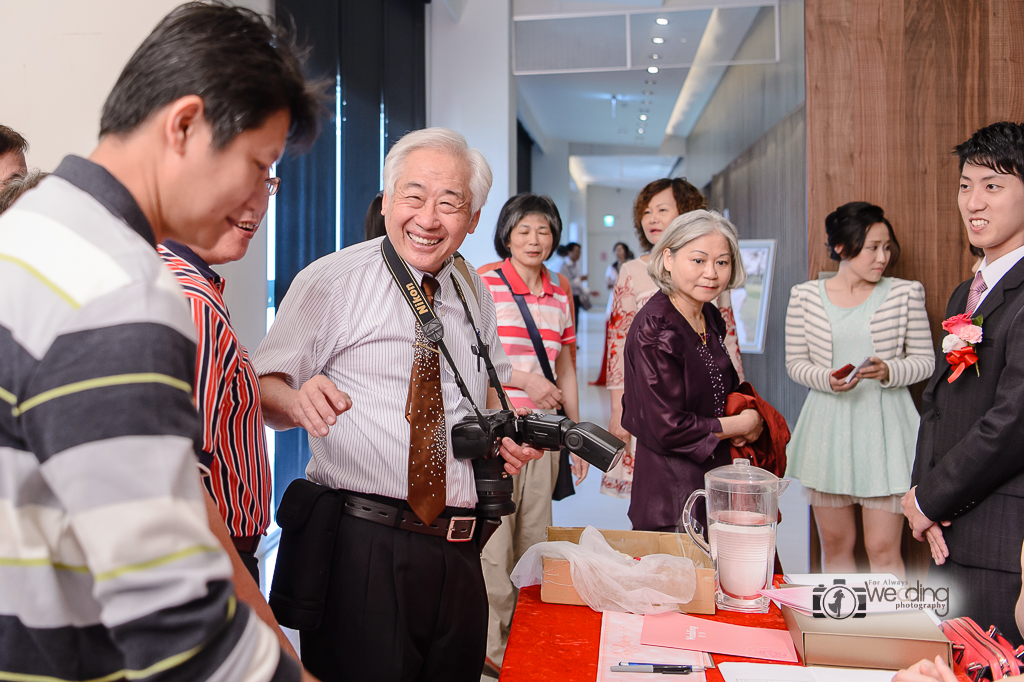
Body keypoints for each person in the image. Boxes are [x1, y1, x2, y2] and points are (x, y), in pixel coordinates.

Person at [0, 3, 324, 680]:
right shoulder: (117, 291)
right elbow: (174, 622)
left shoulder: (30, 234)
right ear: (184, 125)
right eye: (257, 164)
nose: (260, 197)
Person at [253, 127, 545, 682]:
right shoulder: (332, 280)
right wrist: (295, 400)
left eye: (449, 202)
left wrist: (501, 434)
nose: (428, 218)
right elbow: (262, 388)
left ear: (474, 219)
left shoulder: (471, 289)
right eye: (413, 197)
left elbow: (488, 389)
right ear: (387, 201)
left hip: (460, 547)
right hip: (364, 546)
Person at [904, 121, 1024, 645]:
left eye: (993, 186)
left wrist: (931, 499)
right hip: (947, 533)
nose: (973, 201)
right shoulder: (964, 293)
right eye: (965, 185)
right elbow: (935, 403)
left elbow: (1012, 423)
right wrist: (920, 501)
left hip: (1003, 542)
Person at [785, 202, 934, 578]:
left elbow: (925, 361)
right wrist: (827, 380)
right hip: (828, 429)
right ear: (841, 248)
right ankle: (843, 634)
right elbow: (795, 364)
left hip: (885, 431)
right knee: (836, 546)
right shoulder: (804, 296)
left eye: (887, 247)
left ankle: (892, 633)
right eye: (873, 247)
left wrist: (889, 370)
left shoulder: (904, 293)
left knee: (883, 550)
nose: (883, 257)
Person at [478, 193, 586, 673]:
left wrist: (575, 433)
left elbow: (567, 367)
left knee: (533, 547)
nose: (534, 239)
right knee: (493, 552)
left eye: (543, 231)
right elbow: (467, 359)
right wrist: (525, 380)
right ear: (506, 233)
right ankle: (491, 658)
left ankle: (523, 650)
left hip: (544, 438)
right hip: (496, 437)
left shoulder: (561, 289)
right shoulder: (483, 281)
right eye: (524, 230)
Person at [158, 174, 279, 585]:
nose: (258, 204)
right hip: (212, 561)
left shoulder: (175, 278)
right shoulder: (190, 300)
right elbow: (183, 473)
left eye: (266, 182)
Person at [603, 178, 743, 498]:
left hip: (705, 402)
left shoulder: (711, 283)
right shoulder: (632, 272)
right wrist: (617, 408)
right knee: (664, 486)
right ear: (669, 259)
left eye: (662, 210)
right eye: (646, 211)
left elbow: (728, 338)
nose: (651, 218)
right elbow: (617, 340)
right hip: (656, 398)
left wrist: (738, 403)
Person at [621, 210, 761, 532]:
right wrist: (740, 422)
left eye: (721, 262)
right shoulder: (656, 328)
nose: (711, 273)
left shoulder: (708, 315)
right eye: (698, 261)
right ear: (668, 258)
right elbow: (666, 426)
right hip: (672, 491)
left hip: (712, 475)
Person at [559, 241, 589, 328]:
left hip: (575, 296)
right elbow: (565, 283)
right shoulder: (564, 266)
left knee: (575, 320)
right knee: (569, 321)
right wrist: (580, 279)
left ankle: (574, 340)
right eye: (576, 251)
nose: (578, 254)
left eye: (579, 252)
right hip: (567, 297)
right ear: (569, 252)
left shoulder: (576, 265)